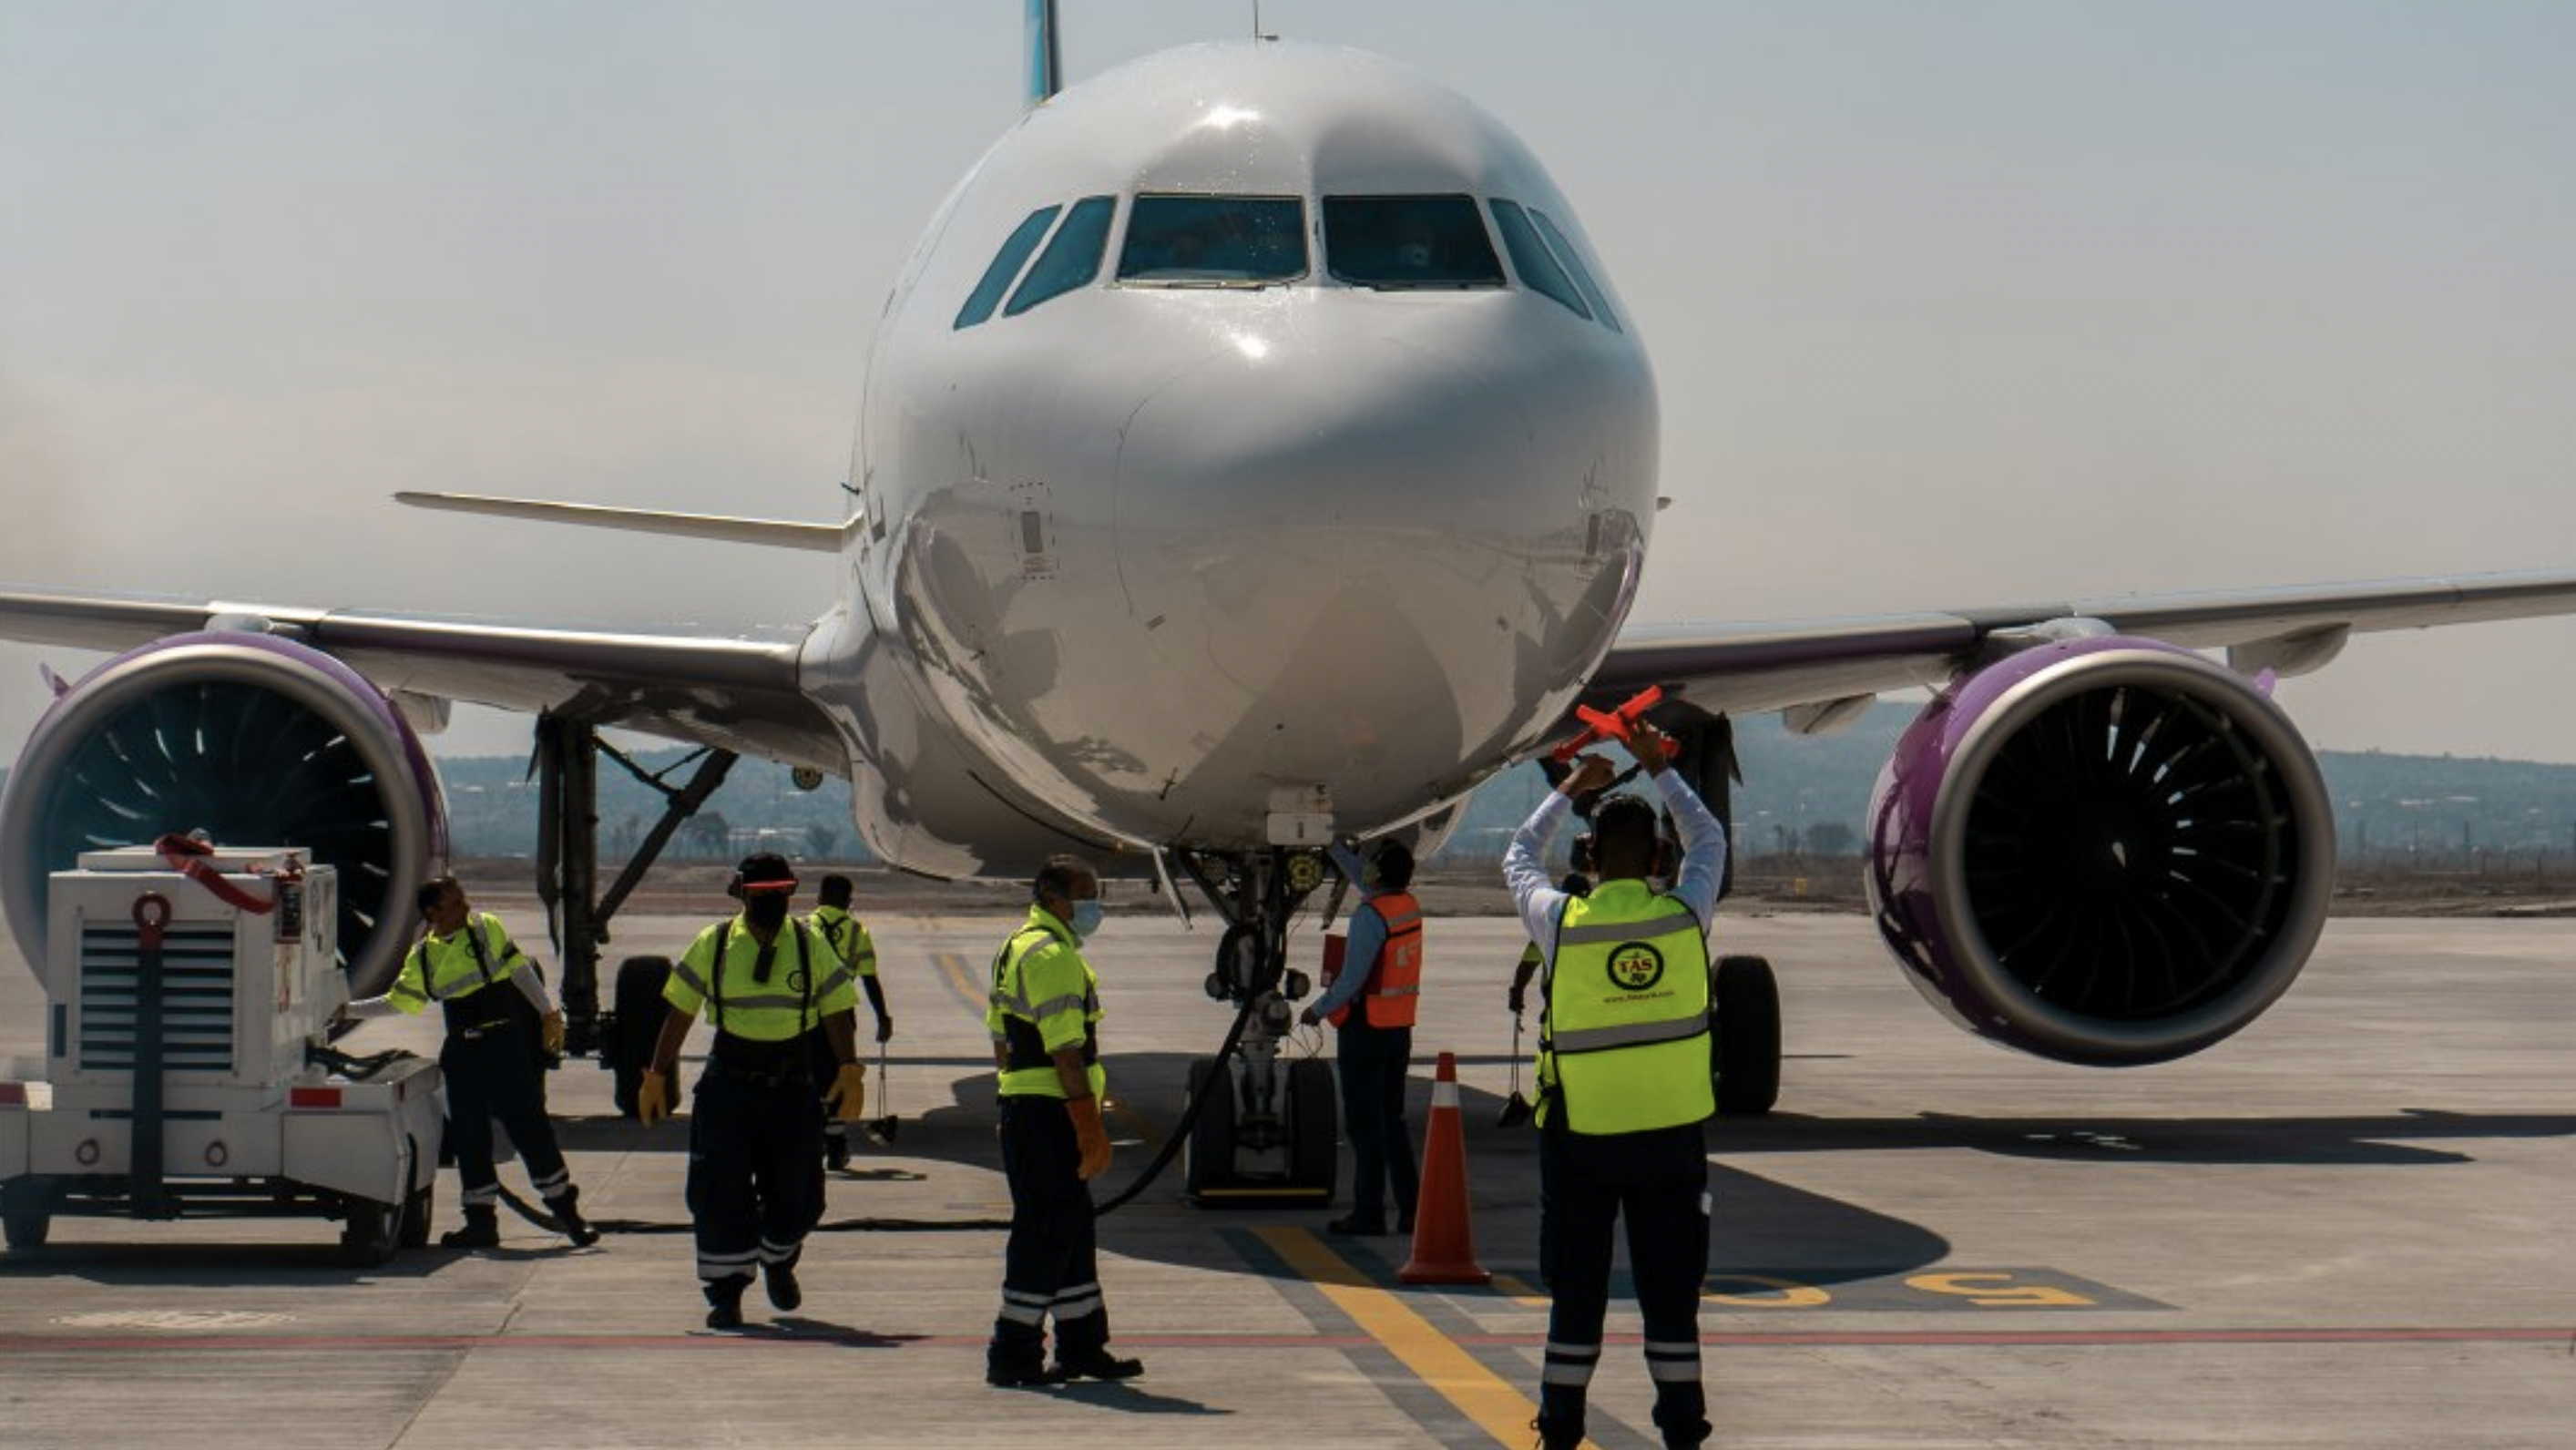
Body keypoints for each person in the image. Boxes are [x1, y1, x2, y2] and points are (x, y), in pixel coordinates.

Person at [1503, 727, 1727, 1450]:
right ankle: (1684, 1427)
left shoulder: (1563, 923)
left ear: (1588, 860)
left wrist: (1572, 783)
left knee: (1577, 1293)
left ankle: (1561, 1425)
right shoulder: (1684, 916)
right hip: (1670, 1140)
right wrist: (1662, 765)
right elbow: (1709, 837)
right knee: (1671, 1298)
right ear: (1660, 861)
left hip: (1582, 1140)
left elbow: (1517, 856)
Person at [637, 853, 867, 1330]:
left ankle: (777, 1257)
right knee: (720, 1193)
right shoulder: (715, 943)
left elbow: (836, 1009)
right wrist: (656, 1074)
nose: (771, 902)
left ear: (791, 892)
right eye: (762, 894)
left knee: (802, 1195)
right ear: (741, 893)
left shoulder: (810, 944)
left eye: (780, 893)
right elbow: (679, 1012)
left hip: (792, 1087)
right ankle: (727, 1294)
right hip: (730, 1086)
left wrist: (848, 1069)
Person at [341, 874, 598, 1250]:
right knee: (469, 1137)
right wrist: (347, 1009)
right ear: (432, 912)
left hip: (503, 1046)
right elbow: (399, 1002)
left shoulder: (484, 929)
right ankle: (481, 1223)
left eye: (462, 899)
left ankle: (569, 1215)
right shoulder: (424, 957)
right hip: (463, 1052)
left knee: (530, 1127)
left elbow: (519, 970)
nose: (465, 907)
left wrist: (548, 1012)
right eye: (455, 902)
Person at [983, 854, 1143, 1387]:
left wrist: (1014, 1097)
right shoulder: (1051, 956)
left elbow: (1000, 1039)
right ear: (1054, 897)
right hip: (1050, 1110)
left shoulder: (1017, 946)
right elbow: (1066, 1052)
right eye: (1087, 895)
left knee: (1072, 1227)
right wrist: (1087, 1124)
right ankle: (1013, 1351)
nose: (1095, 906)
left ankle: (1081, 1346)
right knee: (1047, 1231)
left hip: (1032, 1106)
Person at [1298, 841, 1423, 1237]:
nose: (1363, 871)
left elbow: (1351, 980)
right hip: (1398, 1029)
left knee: (1365, 1128)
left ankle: (1369, 1214)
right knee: (1393, 1121)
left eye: (1370, 867)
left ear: (1378, 876)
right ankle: (1411, 1210)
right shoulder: (1405, 905)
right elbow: (1365, 879)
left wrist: (1316, 1011)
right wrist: (1333, 845)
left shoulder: (1370, 915)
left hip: (1365, 1030)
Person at [808, 873, 893, 1169]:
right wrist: (882, 1017)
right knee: (839, 1077)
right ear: (848, 901)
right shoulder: (858, 932)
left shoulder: (803, 928)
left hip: (805, 1016)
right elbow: (870, 980)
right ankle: (836, 1147)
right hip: (842, 1014)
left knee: (807, 1079)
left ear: (819, 899)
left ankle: (810, 1143)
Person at [1508, 833, 1594, 1016]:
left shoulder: (1551, 925)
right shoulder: (1601, 922)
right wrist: (1517, 991)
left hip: (1559, 1004)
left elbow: (1528, 964)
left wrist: (1517, 992)